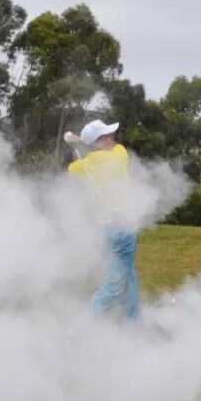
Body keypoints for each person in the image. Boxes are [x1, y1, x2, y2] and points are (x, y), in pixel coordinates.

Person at [65, 120, 138, 321]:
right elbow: (117, 148)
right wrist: (83, 141)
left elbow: (72, 168)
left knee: (129, 274)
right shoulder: (120, 155)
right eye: (107, 135)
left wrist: (80, 141)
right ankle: (82, 326)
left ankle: (132, 323)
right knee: (115, 284)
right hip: (123, 226)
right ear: (101, 140)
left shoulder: (85, 165)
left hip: (109, 225)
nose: (112, 137)